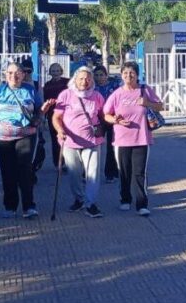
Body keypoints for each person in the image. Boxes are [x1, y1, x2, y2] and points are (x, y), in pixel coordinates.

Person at [0, 61, 43, 219]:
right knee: (8, 172)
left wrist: (39, 119)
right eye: (10, 73)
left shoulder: (30, 90)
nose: (14, 76)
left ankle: (29, 207)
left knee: (25, 170)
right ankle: (10, 206)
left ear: (23, 74)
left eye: (17, 72)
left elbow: (39, 111)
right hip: (2, 139)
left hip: (26, 135)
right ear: (5, 75)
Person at [103, 61, 163, 216]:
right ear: (121, 75)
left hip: (142, 139)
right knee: (124, 172)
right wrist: (115, 120)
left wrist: (147, 103)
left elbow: (160, 106)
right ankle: (125, 199)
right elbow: (106, 115)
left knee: (139, 173)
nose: (128, 76)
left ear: (137, 75)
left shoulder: (145, 90)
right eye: (125, 73)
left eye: (132, 73)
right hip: (121, 140)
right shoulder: (116, 94)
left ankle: (142, 204)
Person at [51, 67, 106, 218]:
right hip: (70, 141)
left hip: (92, 140)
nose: (84, 81)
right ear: (74, 79)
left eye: (88, 78)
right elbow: (56, 117)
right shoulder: (66, 95)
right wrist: (60, 130)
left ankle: (91, 204)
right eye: (81, 78)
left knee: (93, 174)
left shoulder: (97, 96)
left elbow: (103, 115)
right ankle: (79, 199)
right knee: (74, 175)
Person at [93, 65, 119, 183]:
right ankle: (88, 173)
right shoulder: (92, 88)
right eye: (97, 75)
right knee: (93, 146)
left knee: (111, 147)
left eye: (101, 75)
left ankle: (111, 173)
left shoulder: (114, 86)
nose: (99, 78)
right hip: (98, 120)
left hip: (112, 118)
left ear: (106, 75)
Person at [42, 63, 69, 169]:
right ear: (50, 72)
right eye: (53, 71)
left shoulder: (67, 82)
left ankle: (68, 161)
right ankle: (58, 163)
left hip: (66, 114)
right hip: (52, 115)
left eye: (57, 71)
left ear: (61, 71)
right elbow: (45, 101)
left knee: (67, 138)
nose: (56, 73)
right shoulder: (47, 85)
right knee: (55, 139)